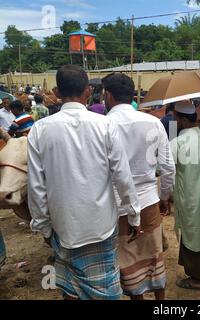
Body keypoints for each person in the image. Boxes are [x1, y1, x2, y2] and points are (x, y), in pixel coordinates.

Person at [27, 65, 141, 300]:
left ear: (57, 92)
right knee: (106, 288)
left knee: (70, 288)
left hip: (64, 227)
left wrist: (43, 226)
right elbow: (122, 176)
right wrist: (133, 215)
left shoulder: (39, 130)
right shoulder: (105, 125)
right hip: (101, 226)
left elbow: (36, 187)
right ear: (88, 91)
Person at [103, 73, 175, 300]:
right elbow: (168, 167)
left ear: (108, 95)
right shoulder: (153, 122)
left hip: (117, 206)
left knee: (128, 262)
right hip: (148, 201)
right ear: (132, 95)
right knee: (154, 255)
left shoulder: (103, 126)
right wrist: (164, 197)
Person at [170, 100, 200, 291]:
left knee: (190, 235)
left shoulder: (177, 142)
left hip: (188, 199)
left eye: (177, 119)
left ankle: (196, 278)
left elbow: (163, 169)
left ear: (182, 120)